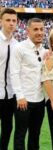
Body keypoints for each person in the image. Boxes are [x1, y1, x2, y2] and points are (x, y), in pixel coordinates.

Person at [10, 18, 46, 150]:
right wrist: (20, 96)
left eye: (41, 29)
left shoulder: (44, 51)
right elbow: (14, 73)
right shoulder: (19, 48)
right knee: (20, 135)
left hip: (40, 100)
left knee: (35, 135)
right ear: (28, 31)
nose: (39, 32)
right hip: (23, 100)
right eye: (35, 29)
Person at [0, 8, 18, 150]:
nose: (11, 23)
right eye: (8, 20)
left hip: (11, 96)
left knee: (7, 129)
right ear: (1, 21)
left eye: (14, 20)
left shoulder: (17, 45)